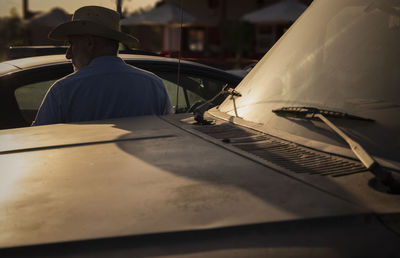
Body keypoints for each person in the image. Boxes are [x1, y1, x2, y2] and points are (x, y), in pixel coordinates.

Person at [32, 6, 172, 126]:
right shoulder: (154, 85)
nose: (68, 55)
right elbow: (169, 137)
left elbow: (37, 142)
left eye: (71, 44)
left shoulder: (63, 91)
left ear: (89, 43)